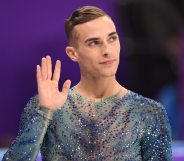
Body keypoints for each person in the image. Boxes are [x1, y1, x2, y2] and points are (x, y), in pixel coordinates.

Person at [3, 6, 172, 161]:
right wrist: (44, 113)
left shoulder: (149, 112)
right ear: (72, 53)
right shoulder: (45, 107)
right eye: (94, 43)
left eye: (112, 39)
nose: (107, 51)